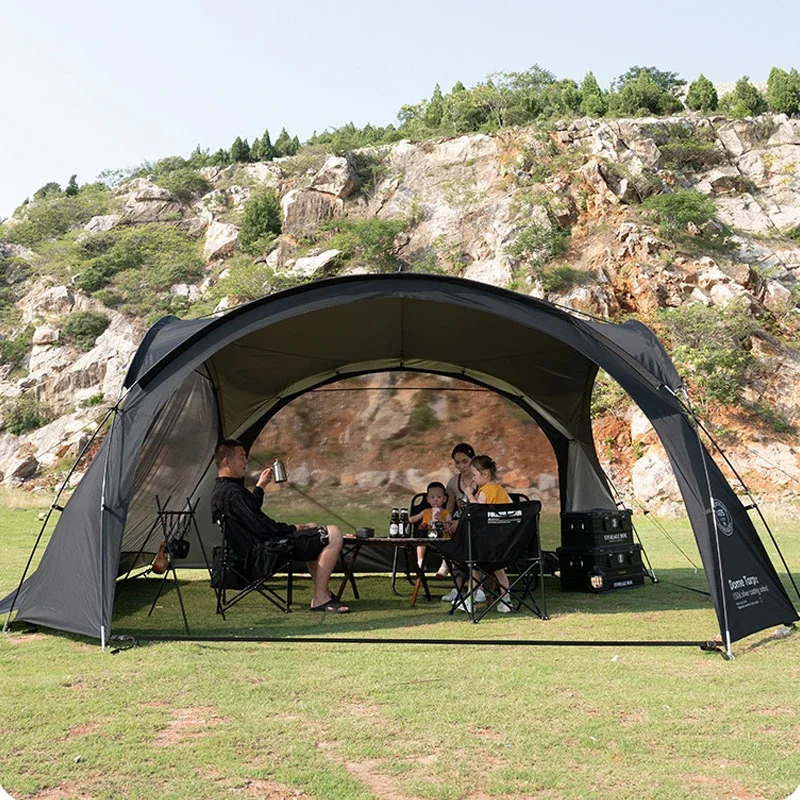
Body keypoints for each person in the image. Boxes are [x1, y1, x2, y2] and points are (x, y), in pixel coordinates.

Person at [210, 438, 350, 613]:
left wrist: (260, 486)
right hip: (264, 554)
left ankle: (323, 592)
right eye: (242, 457)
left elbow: (250, 515)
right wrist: (293, 528)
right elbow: (262, 527)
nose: (246, 461)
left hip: (251, 553)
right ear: (226, 461)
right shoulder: (233, 493)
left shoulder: (221, 491)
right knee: (333, 534)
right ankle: (320, 598)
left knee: (312, 528)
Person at [463, 455, 514, 612]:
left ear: (484, 474)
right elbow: (512, 510)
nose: (473, 478)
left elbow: (478, 513)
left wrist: (469, 495)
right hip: (503, 543)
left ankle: (471, 599)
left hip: (486, 544)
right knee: (499, 570)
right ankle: (506, 601)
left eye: (474, 475)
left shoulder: (484, 491)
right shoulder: (502, 491)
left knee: (473, 566)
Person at [409, 482, 452, 570]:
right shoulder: (426, 511)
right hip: (426, 536)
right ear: (428, 499)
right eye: (432, 497)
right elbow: (413, 519)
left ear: (444, 499)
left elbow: (449, 524)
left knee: (448, 546)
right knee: (421, 543)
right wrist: (407, 519)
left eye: (439, 497)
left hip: (441, 537)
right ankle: (420, 561)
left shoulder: (445, 513)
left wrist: (441, 519)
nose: (435, 500)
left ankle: (444, 566)